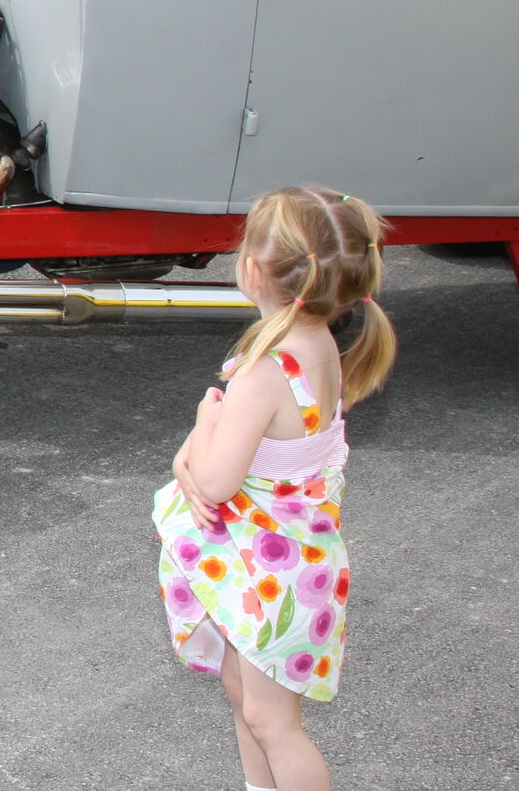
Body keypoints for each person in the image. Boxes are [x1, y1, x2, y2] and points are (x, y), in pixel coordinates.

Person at [154, 187, 395, 791]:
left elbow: (211, 479)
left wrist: (204, 422)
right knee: (246, 697)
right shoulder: (319, 346)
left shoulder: (267, 370)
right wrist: (200, 440)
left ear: (252, 269)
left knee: (271, 720)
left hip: (268, 572)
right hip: (290, 561)